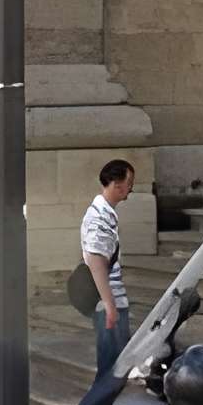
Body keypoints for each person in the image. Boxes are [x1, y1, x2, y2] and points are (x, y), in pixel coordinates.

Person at [80, 157, 135, 374]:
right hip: (108, 304)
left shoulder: (105, 213)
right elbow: (96, 261)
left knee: (116, 366)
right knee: (113, 369)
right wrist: (110, 306)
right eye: (129, 181)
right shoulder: (99, 216)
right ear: (116, 183)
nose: (131, 187)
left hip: (111, 301)